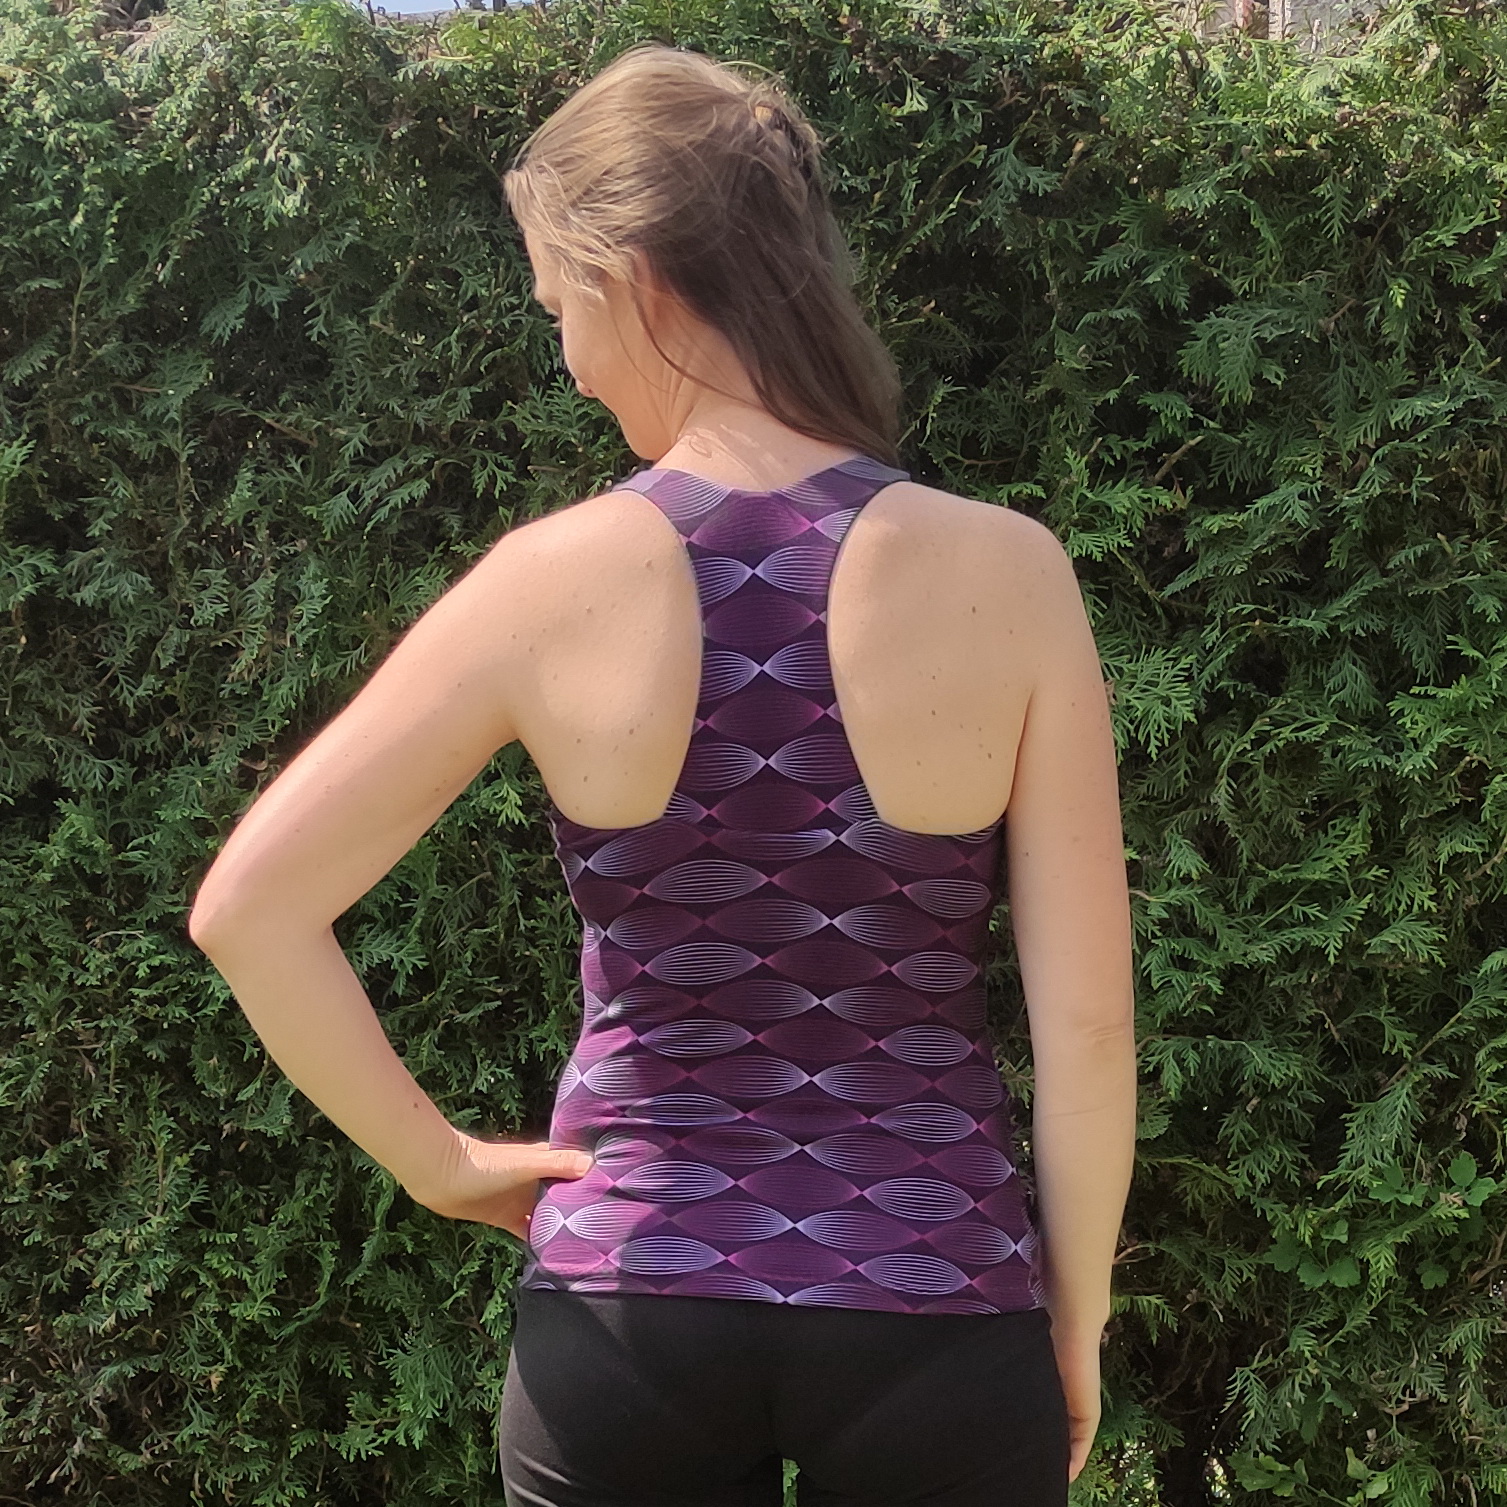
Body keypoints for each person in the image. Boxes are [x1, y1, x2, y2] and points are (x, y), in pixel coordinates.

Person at [187, 40, 1136, 1507]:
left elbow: (248, 909)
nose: (567, 358)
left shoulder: (545, 582)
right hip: (940, 1297)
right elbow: (1084, 1025)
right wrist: (1074, 1315)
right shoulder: (1011, 574)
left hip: (631, 1305)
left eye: (558, 305)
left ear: (630, 278)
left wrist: (440, 1164)